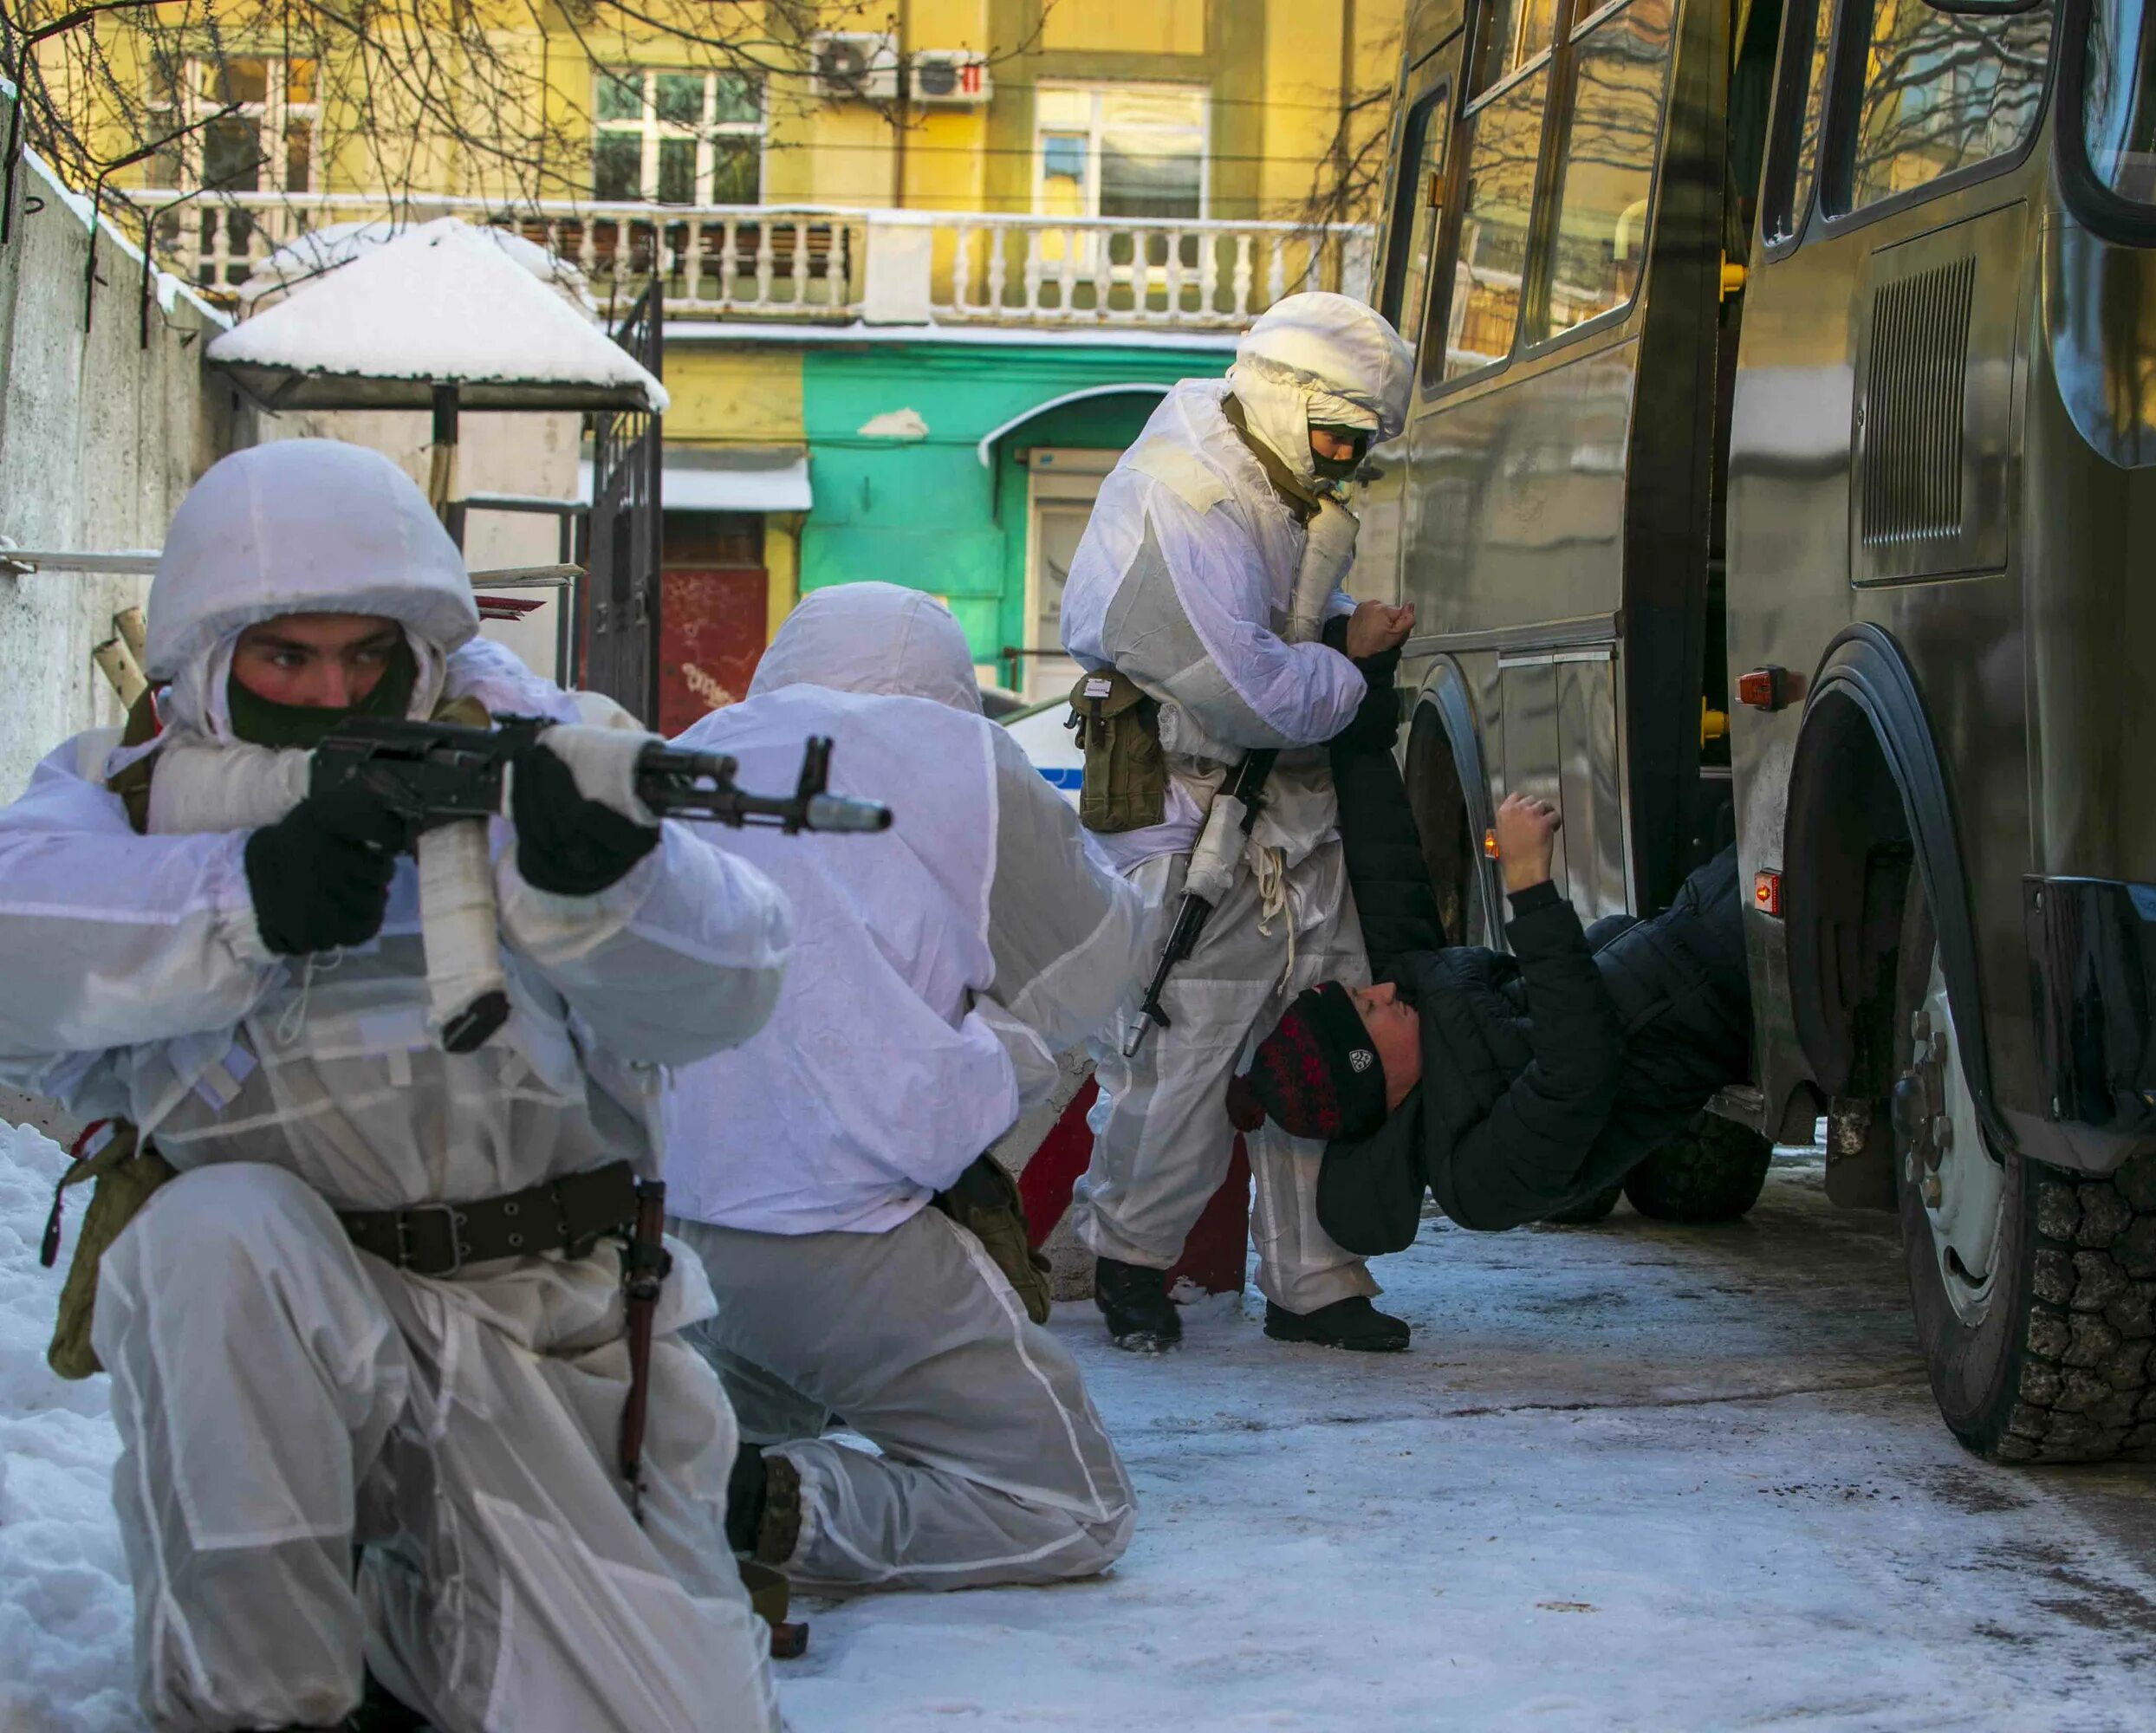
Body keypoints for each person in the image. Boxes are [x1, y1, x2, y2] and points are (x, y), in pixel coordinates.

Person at [0, 440, 795, 1733]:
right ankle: (259, 1700)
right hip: (284, 1334)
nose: (334, 693)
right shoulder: (129, 798)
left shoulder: (535, 759)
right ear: (208, 662)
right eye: (286, 659)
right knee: (210, 1239)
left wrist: (614, 886)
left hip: (543, 1344)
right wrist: (241, 896)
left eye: (369, 655)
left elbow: (738, 983)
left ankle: (405, 1620)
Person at [659, 584, 1148, 1592]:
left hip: (674, 1226)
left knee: (747, 1398)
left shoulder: (695, 748)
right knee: (1071, 1509)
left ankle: (697, 1479)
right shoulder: (963, 757)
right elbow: (1098, 965)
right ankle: (783, 1505)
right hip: (847, 1241)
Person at [1057, 290, 1419, 1354]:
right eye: (1339, 437)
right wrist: (1348, 664)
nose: (1344, 463)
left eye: (1361, 447)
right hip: (1194, 817)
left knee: (1328, 1033)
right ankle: (1131, 1257)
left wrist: (1340, 634)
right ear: (1284, 397)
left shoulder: (1267, 479)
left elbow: (1272, 644)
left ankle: (1313, 1277)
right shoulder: (1186, 492)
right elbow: (1241, 684)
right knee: (1184, 1049)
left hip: (1286, 811)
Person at [1228, 633, 1754, 1255]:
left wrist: (1365, 677)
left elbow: (1384, 856)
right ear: (1370, 1076)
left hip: (1693, 925)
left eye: (1365, 992)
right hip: (1723, 997)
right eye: (1368, 1009)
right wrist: (1529, 888)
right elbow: (1579, 1068)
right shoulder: (1478, 1182)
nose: (1384, 989)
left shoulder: (1419, 1001)